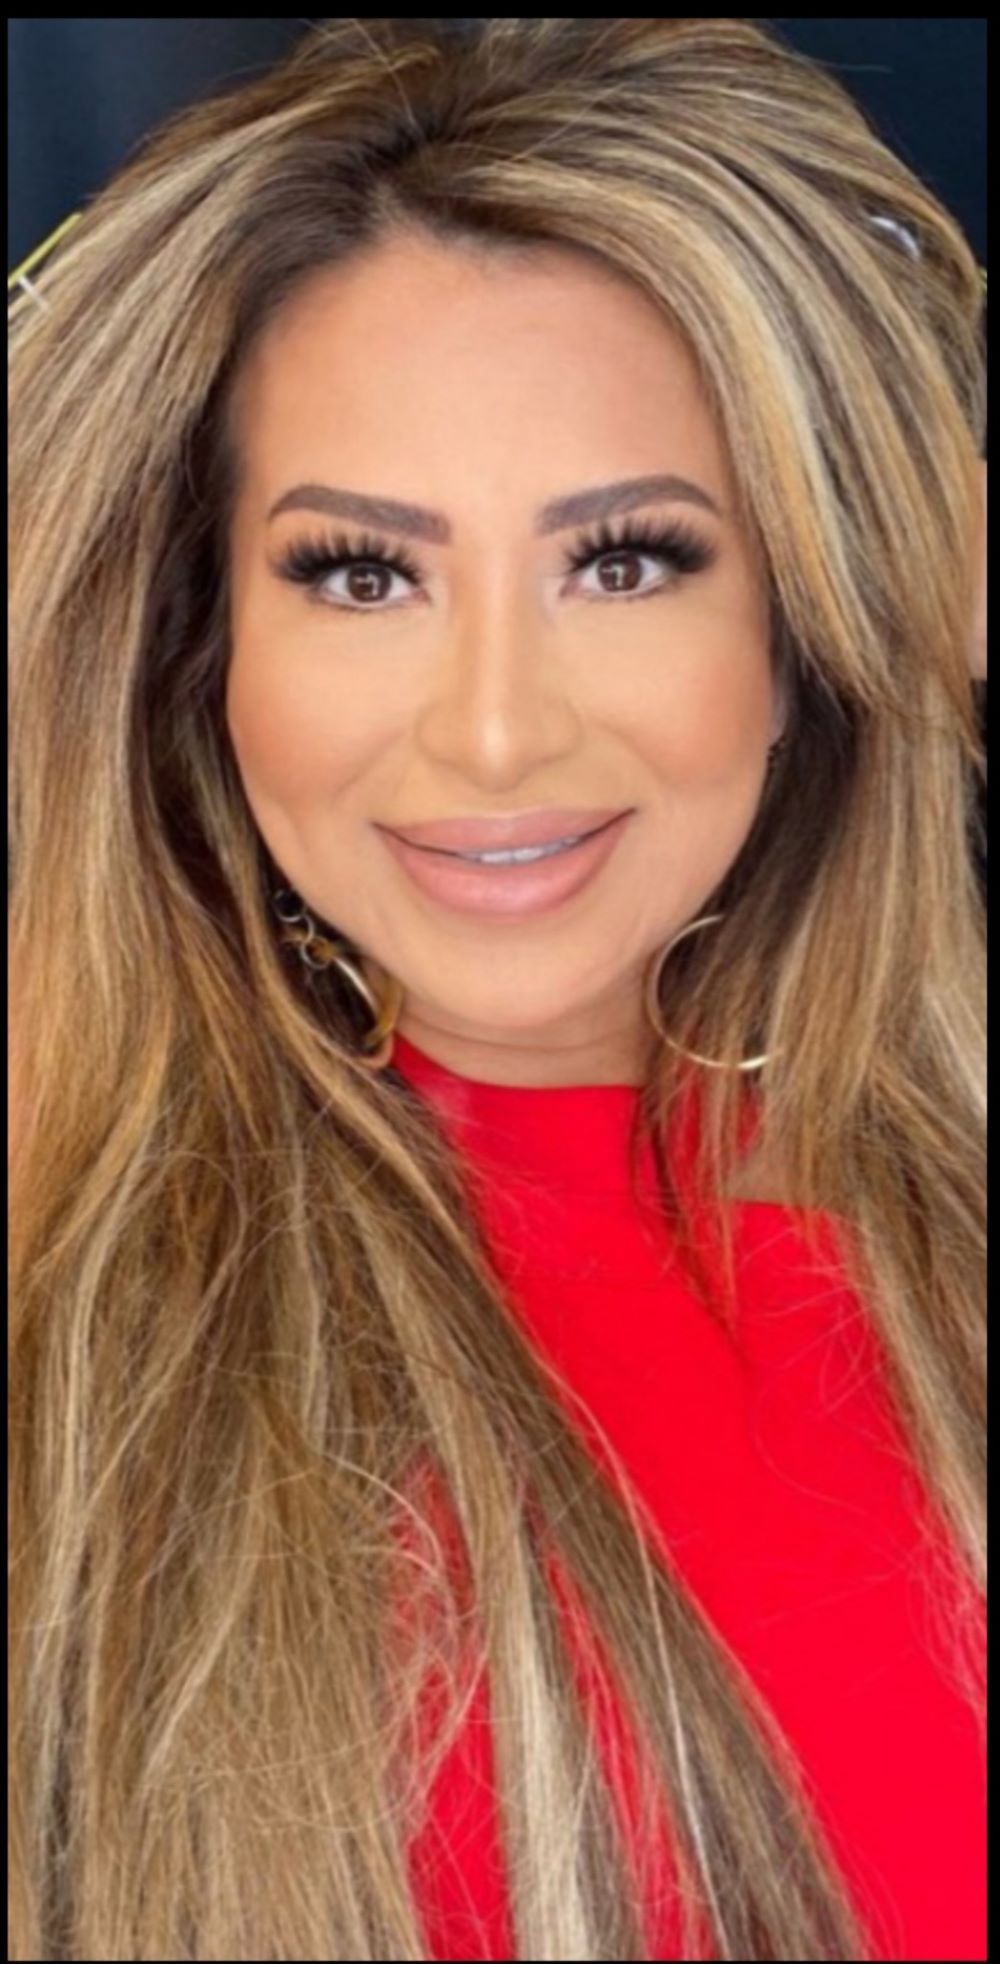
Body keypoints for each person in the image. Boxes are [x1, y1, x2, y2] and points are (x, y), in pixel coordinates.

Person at [8, 19, 986, 1962]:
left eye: (623, 561)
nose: (492, 732)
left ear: (800, 618)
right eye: (360, 576)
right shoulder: (70, 1296)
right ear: (202, 646)